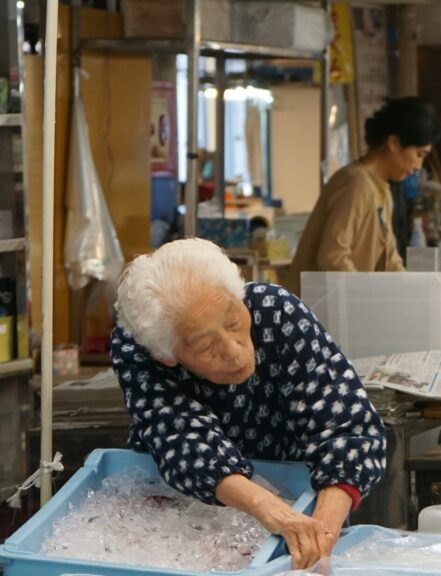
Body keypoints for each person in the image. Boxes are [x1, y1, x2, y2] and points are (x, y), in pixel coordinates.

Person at [112, 239, 387, 570]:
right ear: (166, 355)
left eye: (233, 322)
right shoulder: (139, 348)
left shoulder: (276, 311)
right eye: (206, 346)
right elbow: (183, 439)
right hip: (183, 517)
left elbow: (347, 427)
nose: (234, 352)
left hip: (300, 493)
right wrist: (270, 510)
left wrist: (321, 535)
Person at [287, 98, 437, 296]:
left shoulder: (381, 190)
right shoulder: (356, 185)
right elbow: (333, 257)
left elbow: (391, 260)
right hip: (313, 308)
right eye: (419, 154)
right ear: (394, 143)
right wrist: (363, 298)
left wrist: (413, 293)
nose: (419, 167)